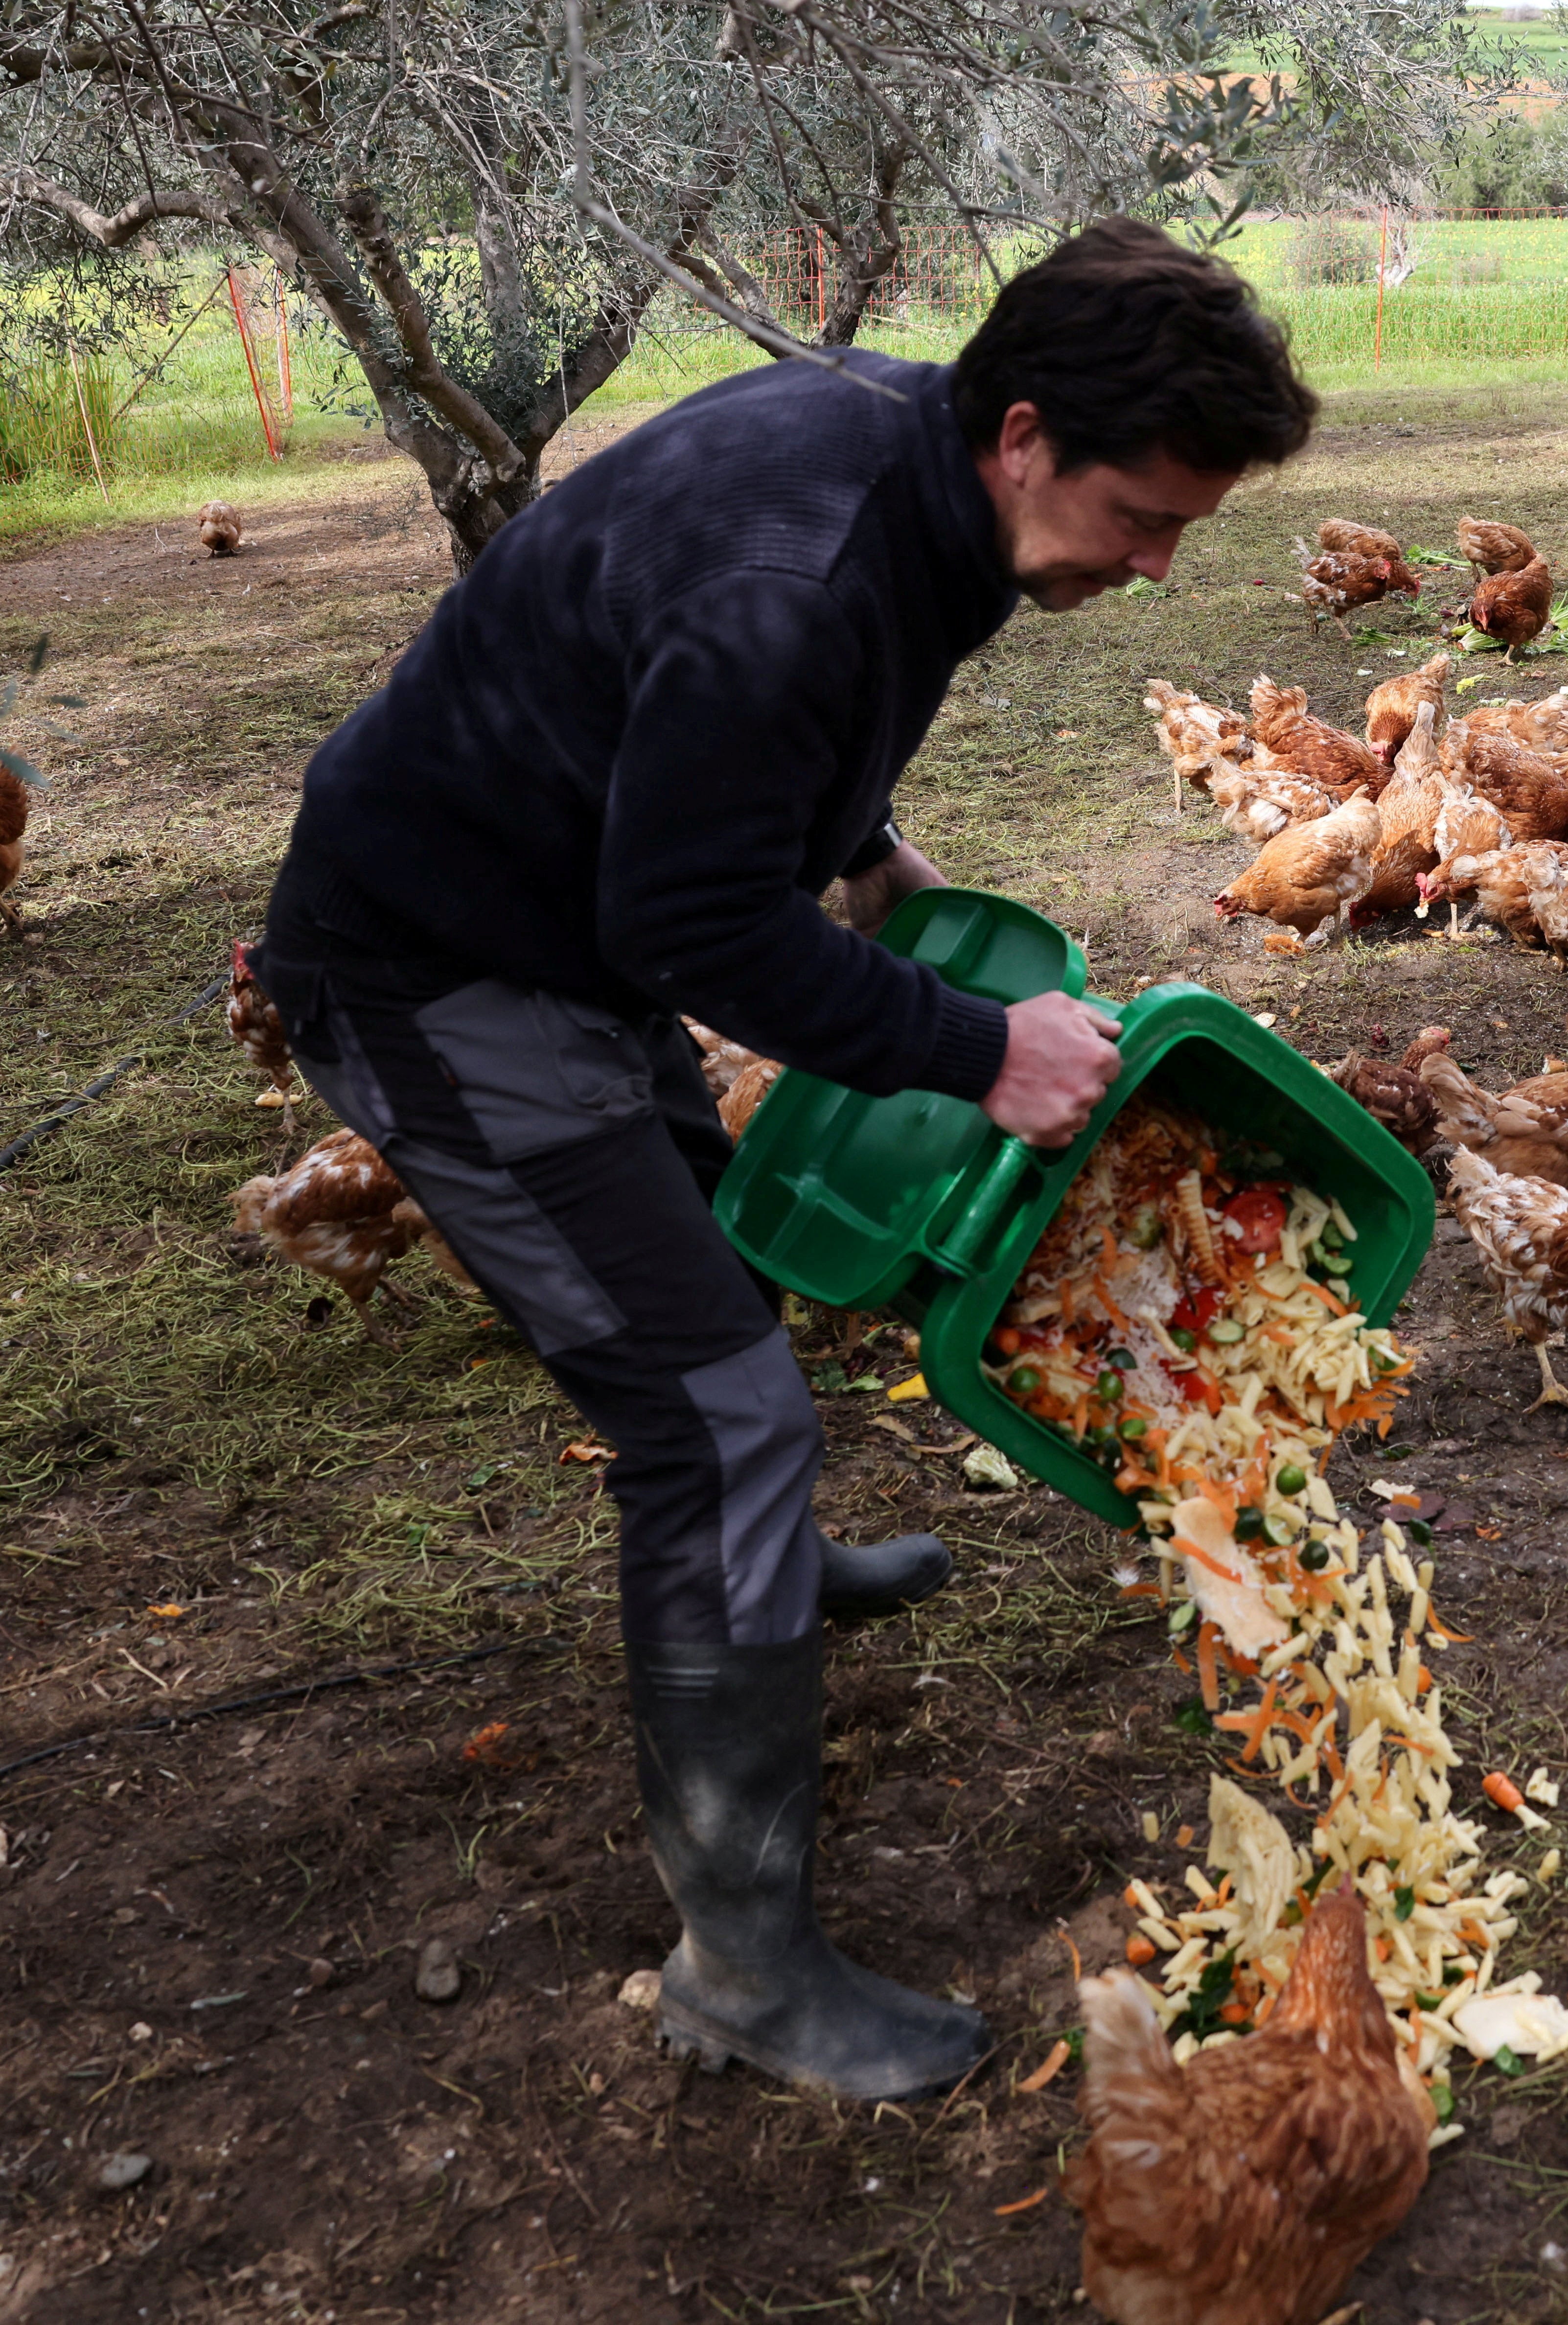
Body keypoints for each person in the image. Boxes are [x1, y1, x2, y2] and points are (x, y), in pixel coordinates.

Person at [248, 221, 1319, 2101]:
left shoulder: (913, 480)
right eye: (1144, 517)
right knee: (716, 1416)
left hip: (559, 917)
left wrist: (877, 855)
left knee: (723, 1265)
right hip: (440, 963)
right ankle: (741, 1965)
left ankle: (767, 1575)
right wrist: (977, 1050)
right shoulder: (802, 572)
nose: (1156, 567)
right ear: (1022, 434)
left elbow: (739, 745)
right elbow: (686, 924)